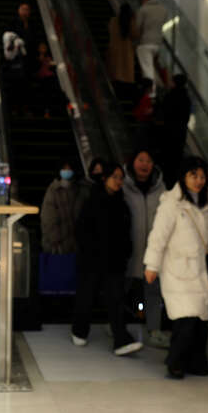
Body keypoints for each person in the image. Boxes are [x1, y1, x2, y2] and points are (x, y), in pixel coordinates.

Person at [143, 156, 208, 378]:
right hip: (177, 270)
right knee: (185, 319)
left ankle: (196, 362)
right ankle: (175, 362)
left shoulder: (206, 204)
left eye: (202, 176)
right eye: (193, 175)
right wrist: (151, 265)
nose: (199, 180)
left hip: (199, 271)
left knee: (200, 321)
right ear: (183, 177)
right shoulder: (171, 204)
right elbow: (158, 236)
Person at [72, 162, 143, 356]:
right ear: (105, 178)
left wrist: (126, 251)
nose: (118, 181)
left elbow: (125, 232)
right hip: (92, 261)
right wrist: (90, 251)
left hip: (114, 262)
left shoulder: (122, 204)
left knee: (116, 300)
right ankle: (79, 330)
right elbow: (81, 230)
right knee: (87, 297)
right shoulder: (92, 202)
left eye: (121, 178)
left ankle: (121, 340)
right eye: (115, 177)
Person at [122, 149, 167, 348]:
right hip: (128, 250)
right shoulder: (123, 186)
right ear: (133, 162)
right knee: (121, 289)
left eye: (149, 161)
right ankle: (118, 327)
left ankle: (154, 330)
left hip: (153, 252)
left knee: (153, 291)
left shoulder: (161, 188)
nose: (145, 164)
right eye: (141, 160)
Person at [41, 160, 79, 255]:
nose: (67, 171)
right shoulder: (53, 190)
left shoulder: (77, 189)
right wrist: (55, 240)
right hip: (57, 246)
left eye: (69, 169)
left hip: (74, 244)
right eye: (64, 169)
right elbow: (48, 217)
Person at [159, 73, 191, 188]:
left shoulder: (170, 96)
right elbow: (186, 117)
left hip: (168, 132)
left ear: (175, 82)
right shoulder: (186, 98)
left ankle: (165, 182)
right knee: (177, 158)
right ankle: (174, 183)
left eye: (172, 81)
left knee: (167, 158)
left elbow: (163, 112)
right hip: (181, 133)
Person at [136, 0, 168, 94]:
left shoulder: (143, 9)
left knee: (147, 69)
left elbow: (137, 26)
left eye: (142, 0)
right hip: (158, 43)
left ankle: (151, 93)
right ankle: (159, 86)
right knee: (150, 67)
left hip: (145, 42)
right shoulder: (163, 10)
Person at [106, 3, 139, 85]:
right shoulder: (130, 21)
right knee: (125, 76)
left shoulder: (113, 21)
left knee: (115, 73)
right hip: (126, 52)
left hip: (114, 50)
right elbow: (135, 34)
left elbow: (110, 32)